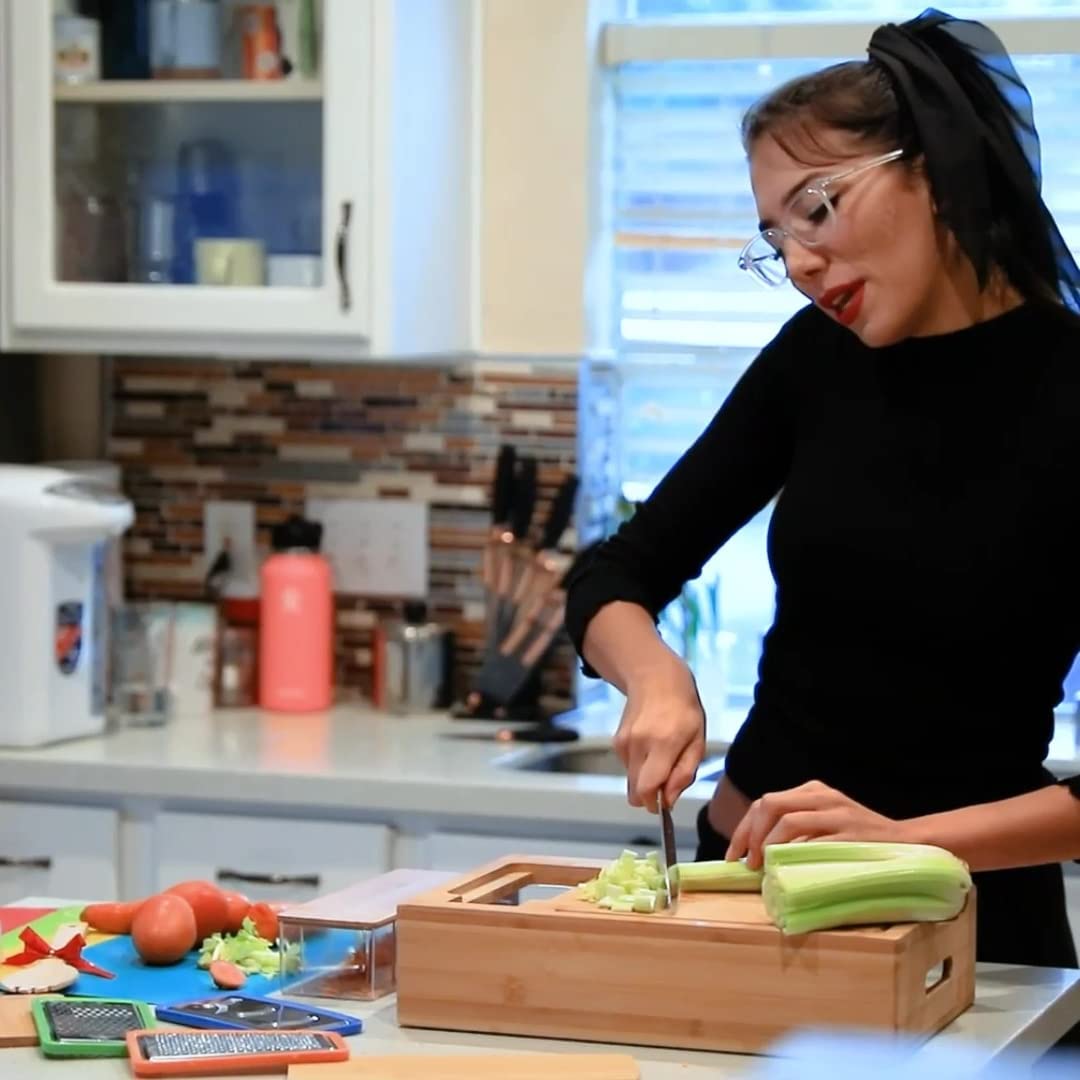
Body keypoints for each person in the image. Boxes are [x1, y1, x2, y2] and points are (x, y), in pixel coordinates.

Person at [564, 7, 1080, 971]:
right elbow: (613, 575)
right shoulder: (819, 358)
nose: (800, 262)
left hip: (968, 927)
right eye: (775, 236)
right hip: (746, 895)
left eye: (817, 208)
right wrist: (655, 675)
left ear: (933, 163)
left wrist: (901, 839)